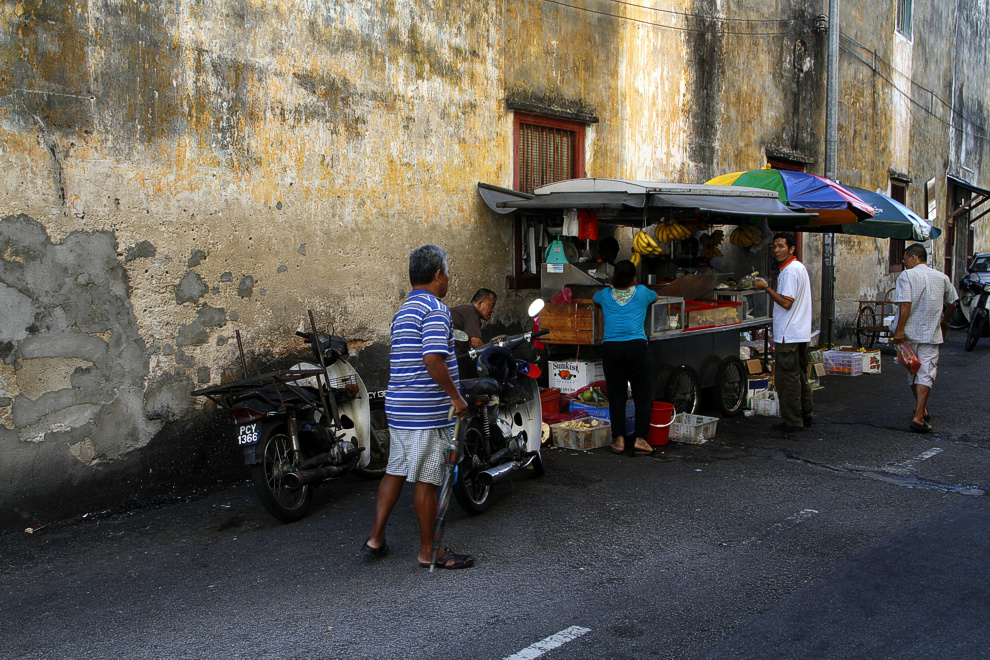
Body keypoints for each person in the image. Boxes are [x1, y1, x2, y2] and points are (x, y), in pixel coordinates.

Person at [363, 245, 475, 569]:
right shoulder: (436, 309)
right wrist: (456, 396)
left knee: (395, 471)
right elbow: (432, 359)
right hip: (424, 411)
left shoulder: (405, 310)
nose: (449, 278)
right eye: (448, 272)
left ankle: (376, 538)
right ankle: (431, 552)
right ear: (438, 275)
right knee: (427, 480)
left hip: (399, 407)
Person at [593, 260, 658, 456]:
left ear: (613, 279)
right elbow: (655, 297)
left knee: (616, 394)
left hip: (611, 348)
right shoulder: (642, 292)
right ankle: (640, 439)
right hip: (636, 347)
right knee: (642, 394)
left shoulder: (604, 294)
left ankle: (619, 440)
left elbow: (595, 298)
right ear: (634, 279)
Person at [891, 243, 958, 433]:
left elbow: (905, 304)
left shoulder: (907, 276)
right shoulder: (942, 277)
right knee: (926, 373)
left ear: (914, 258)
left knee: (913, 370)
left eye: (905, 259)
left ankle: (919, 415)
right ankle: (921, 411)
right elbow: (953, 302)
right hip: (931, 333)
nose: (904, 263)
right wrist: (946, 321)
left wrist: (899, 330)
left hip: (909, 333)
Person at [753, 232, 813, 433]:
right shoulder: (799, 268)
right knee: (800, 377)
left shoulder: (790, 271)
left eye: (781, 246)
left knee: (787, 380)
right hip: (800, 332)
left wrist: (766, 288)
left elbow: (787, 302)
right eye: (774, 247)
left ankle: (793, 421)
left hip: (789, 334)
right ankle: (806, 415)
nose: (777, 250)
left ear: (791, 249)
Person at [450, 288, 498, 378]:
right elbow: (476, 343)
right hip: (453, 360)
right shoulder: (472, 313)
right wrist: (494, 357)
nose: (493, 310)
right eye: (491, 306)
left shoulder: (464, 311)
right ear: (480, 303)